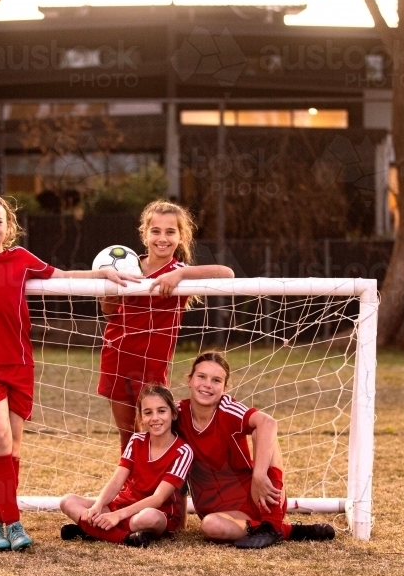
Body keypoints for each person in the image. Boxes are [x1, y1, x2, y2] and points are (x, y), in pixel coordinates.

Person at [0, 191, 139, 552]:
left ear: (9, 227)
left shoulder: (20, 259)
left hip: (19, 365)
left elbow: (63, 275)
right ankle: (12, 521)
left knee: (12, 448)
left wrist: (101, 273)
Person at [98, 201, 234, 453]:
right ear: (145, 234)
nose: (162, 238)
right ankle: (130, 485)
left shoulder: (179, 272)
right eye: (156, 231)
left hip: (151, 365)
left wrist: (180, 275)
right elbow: (110, 314)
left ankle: (161, 485)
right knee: (127, 433)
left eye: (170, 232)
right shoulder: (126, 266)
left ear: (181, 237)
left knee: (152, 431)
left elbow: (227, 273)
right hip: (115, 358)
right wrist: (109, 297)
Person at [175, 351, 336, 549]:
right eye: (201, 376)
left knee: (263, 431)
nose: (207, 384)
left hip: (258, 495)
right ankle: (285, 531)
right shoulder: (177, 414)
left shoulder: (227, 408)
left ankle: (271, 522)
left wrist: (259, 475)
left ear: (225, 388)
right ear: (189, 380)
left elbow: (268, 422)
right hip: (219, 511)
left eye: (216, 380)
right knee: (210, 526)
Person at [58, 384, 193, 548]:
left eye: (161, 411)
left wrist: (117, 516)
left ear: (173, 414)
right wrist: (97, 506)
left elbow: (158, 499)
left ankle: (92, 530)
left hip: (153, 513)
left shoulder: (183, 451)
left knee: (150, 518)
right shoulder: (136, 441)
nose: (155, 418)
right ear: (141, 418)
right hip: (122, 506)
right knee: (67, 501)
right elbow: (116, 482)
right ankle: (124, 537)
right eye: (148, 412)